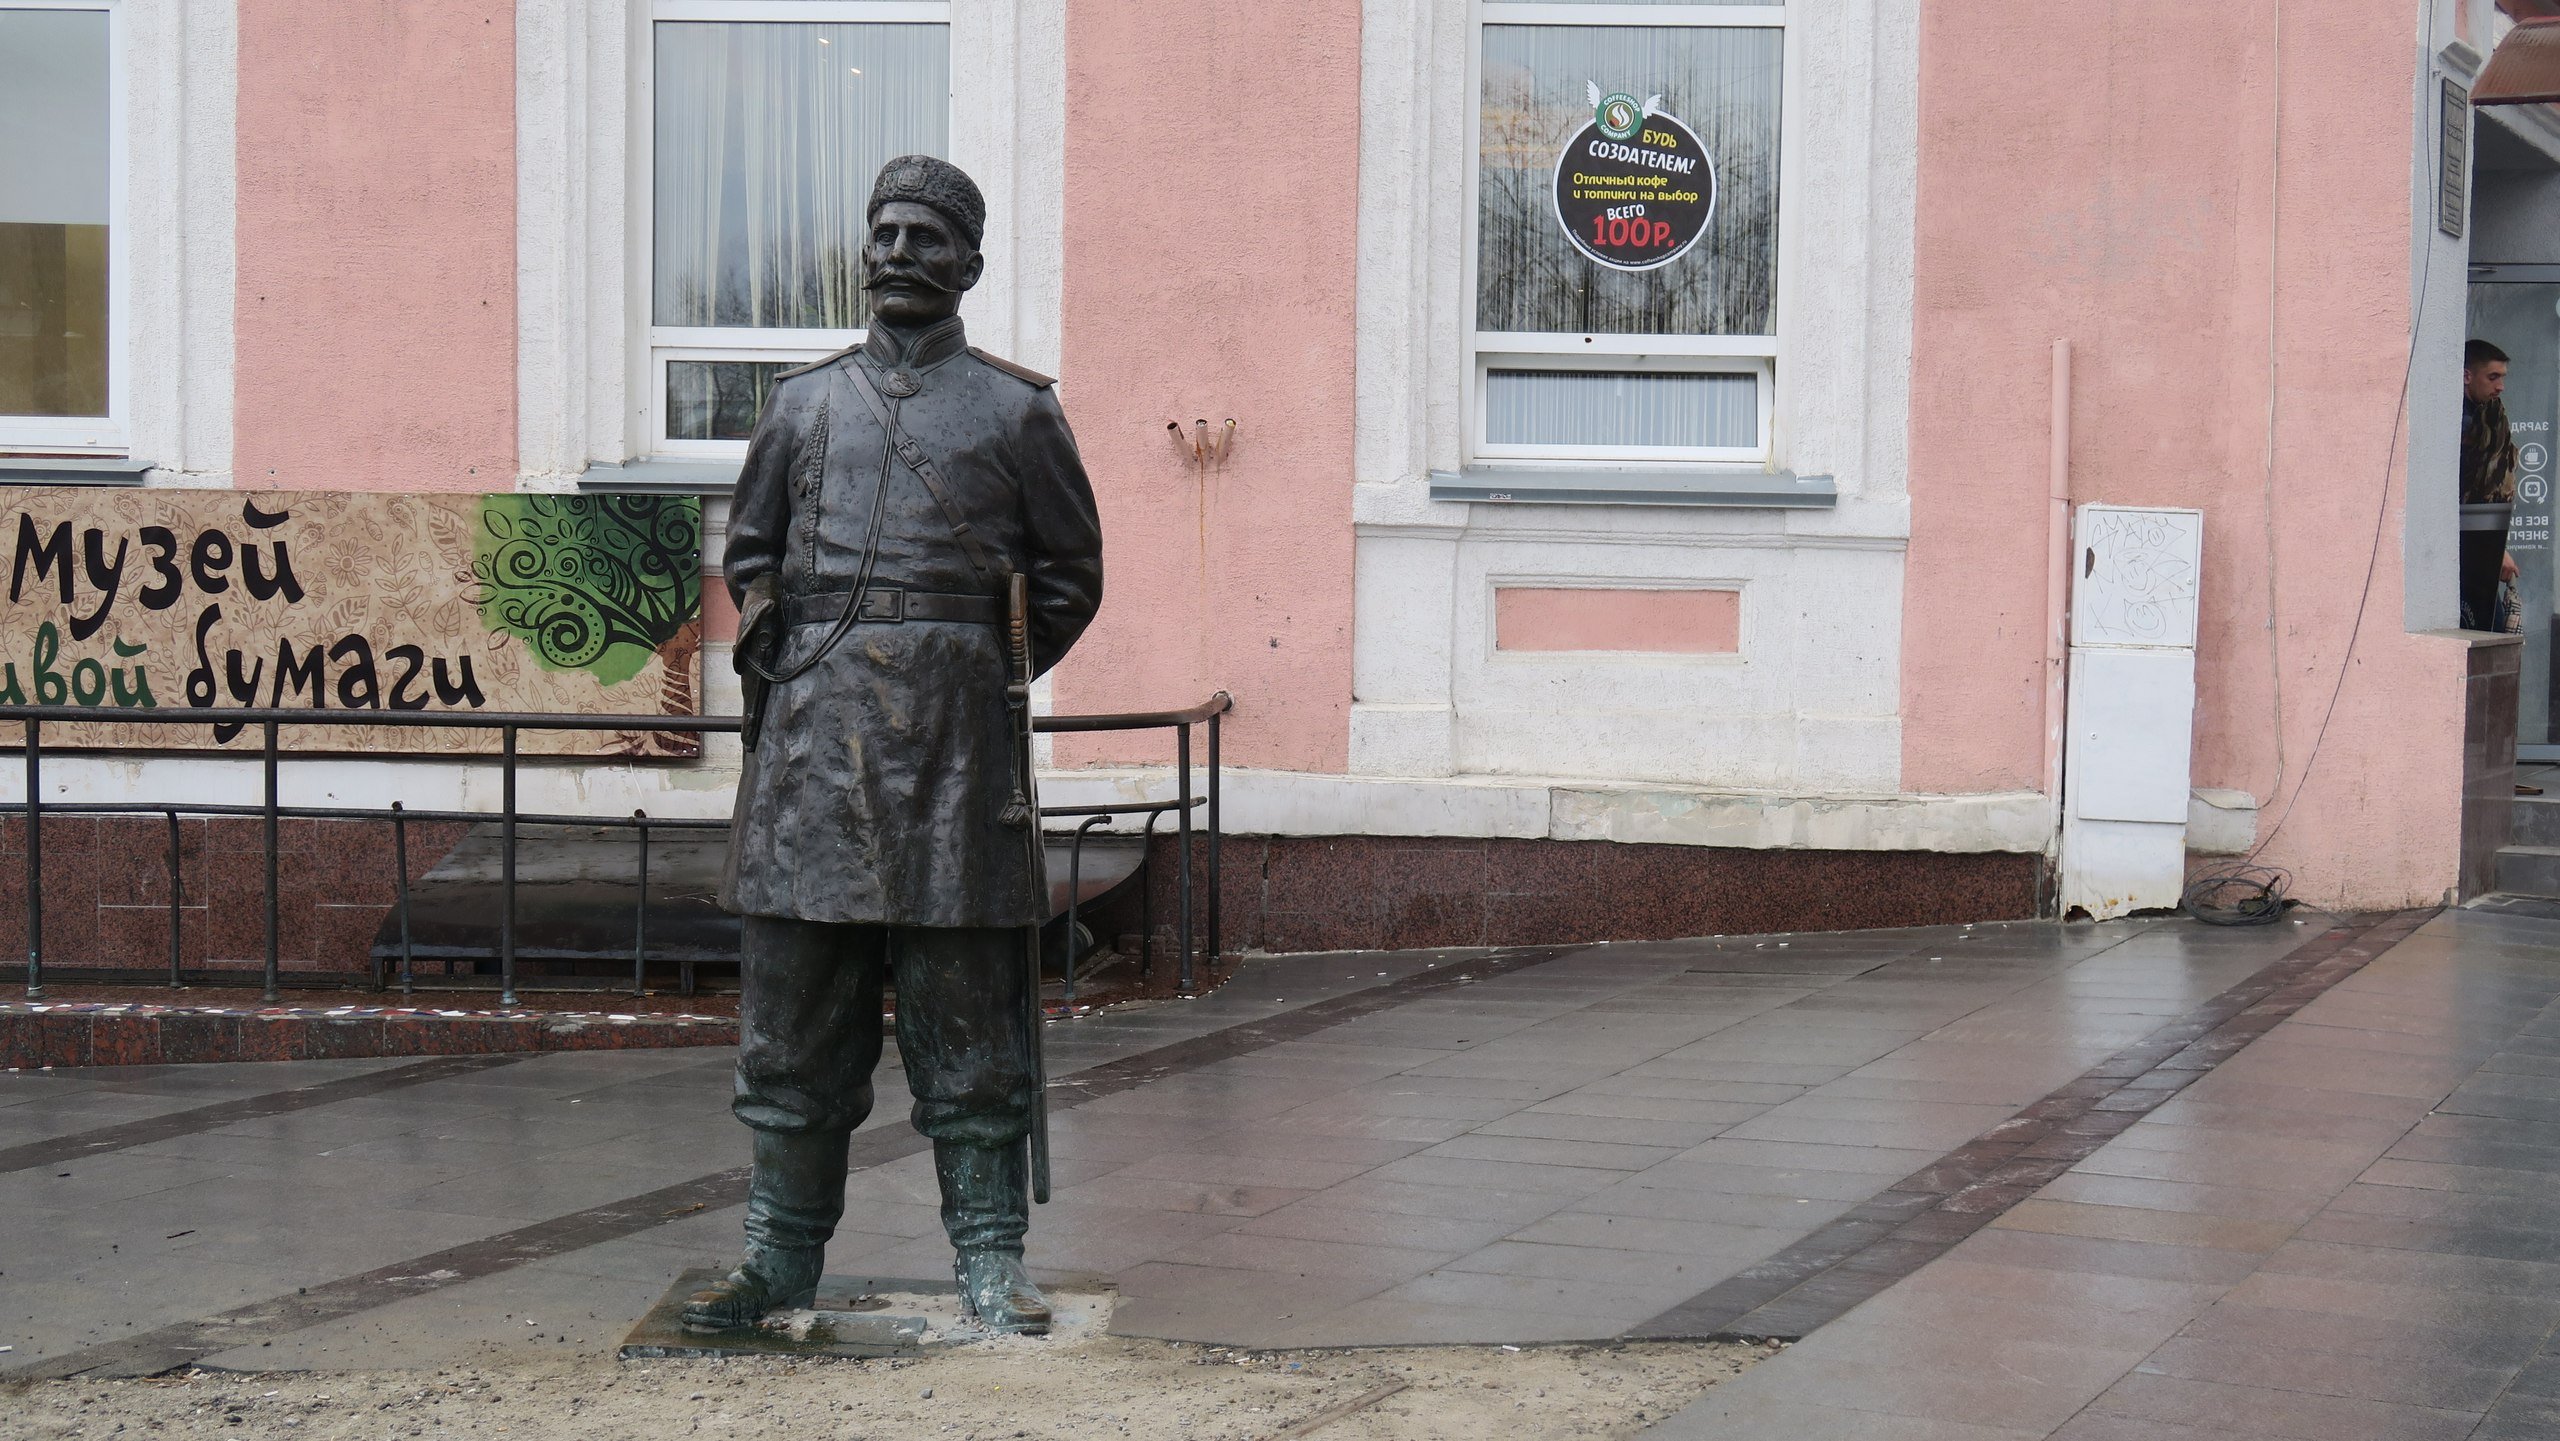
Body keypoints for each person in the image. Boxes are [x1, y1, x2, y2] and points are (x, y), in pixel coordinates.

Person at [687, 155, 1105, 1335]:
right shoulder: (802, 403)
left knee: (969, 1028)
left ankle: (989, 1259)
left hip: (955, 766)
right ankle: (776, 1259)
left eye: (926, 237)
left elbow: (1071, 575)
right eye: (883, 233)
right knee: (790, 1032)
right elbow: (752, 557)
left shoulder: (1020, 412)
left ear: (968, 265)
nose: (898, 253)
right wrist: (798, 655)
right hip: (814, 765)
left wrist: (975, 670)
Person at [2462, 338, 2521, 633]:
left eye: (2502, 378)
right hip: (2467, 556)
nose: (2500, 387)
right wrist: (2494, 551)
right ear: (2466, 376)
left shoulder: (2483, 419)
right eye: (2493, 377)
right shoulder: (2464, 427)